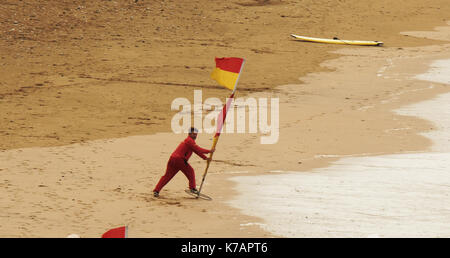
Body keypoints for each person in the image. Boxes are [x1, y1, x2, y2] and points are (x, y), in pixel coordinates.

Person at [153, 127, 214, 197]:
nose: (195, 136)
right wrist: (209, 151)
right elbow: (198, 149)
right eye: (193, 134)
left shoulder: (190, 142)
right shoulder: (189, 141)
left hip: (173, 159)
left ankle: (156, 190)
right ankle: (192, 188)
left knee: (167, 176)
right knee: (191, 171)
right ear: (189, 134)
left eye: (196, 134)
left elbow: (196, 151)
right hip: (179, 160)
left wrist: (206, 158)